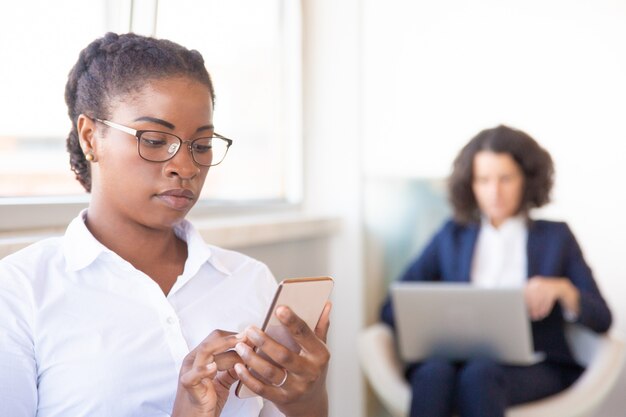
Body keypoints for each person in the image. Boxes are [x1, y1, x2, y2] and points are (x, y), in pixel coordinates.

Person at [0, 32, 331, 417]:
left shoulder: (249, 280)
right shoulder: (20, 292)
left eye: (202, 145)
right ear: (91, 137)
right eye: (155, 140)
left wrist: (308, 401)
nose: (187, 167)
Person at [380, 125, 612, 417]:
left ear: (527, 181)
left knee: (480, 374)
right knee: (432, 374)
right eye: (483, 180)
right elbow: (390, 309)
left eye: (506, 179)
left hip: (531, 366)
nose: (494, 192)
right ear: (471, 184)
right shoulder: (452, 236)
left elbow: (603, 318)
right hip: (454, 361)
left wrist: (562, 290)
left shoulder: (556, 237)